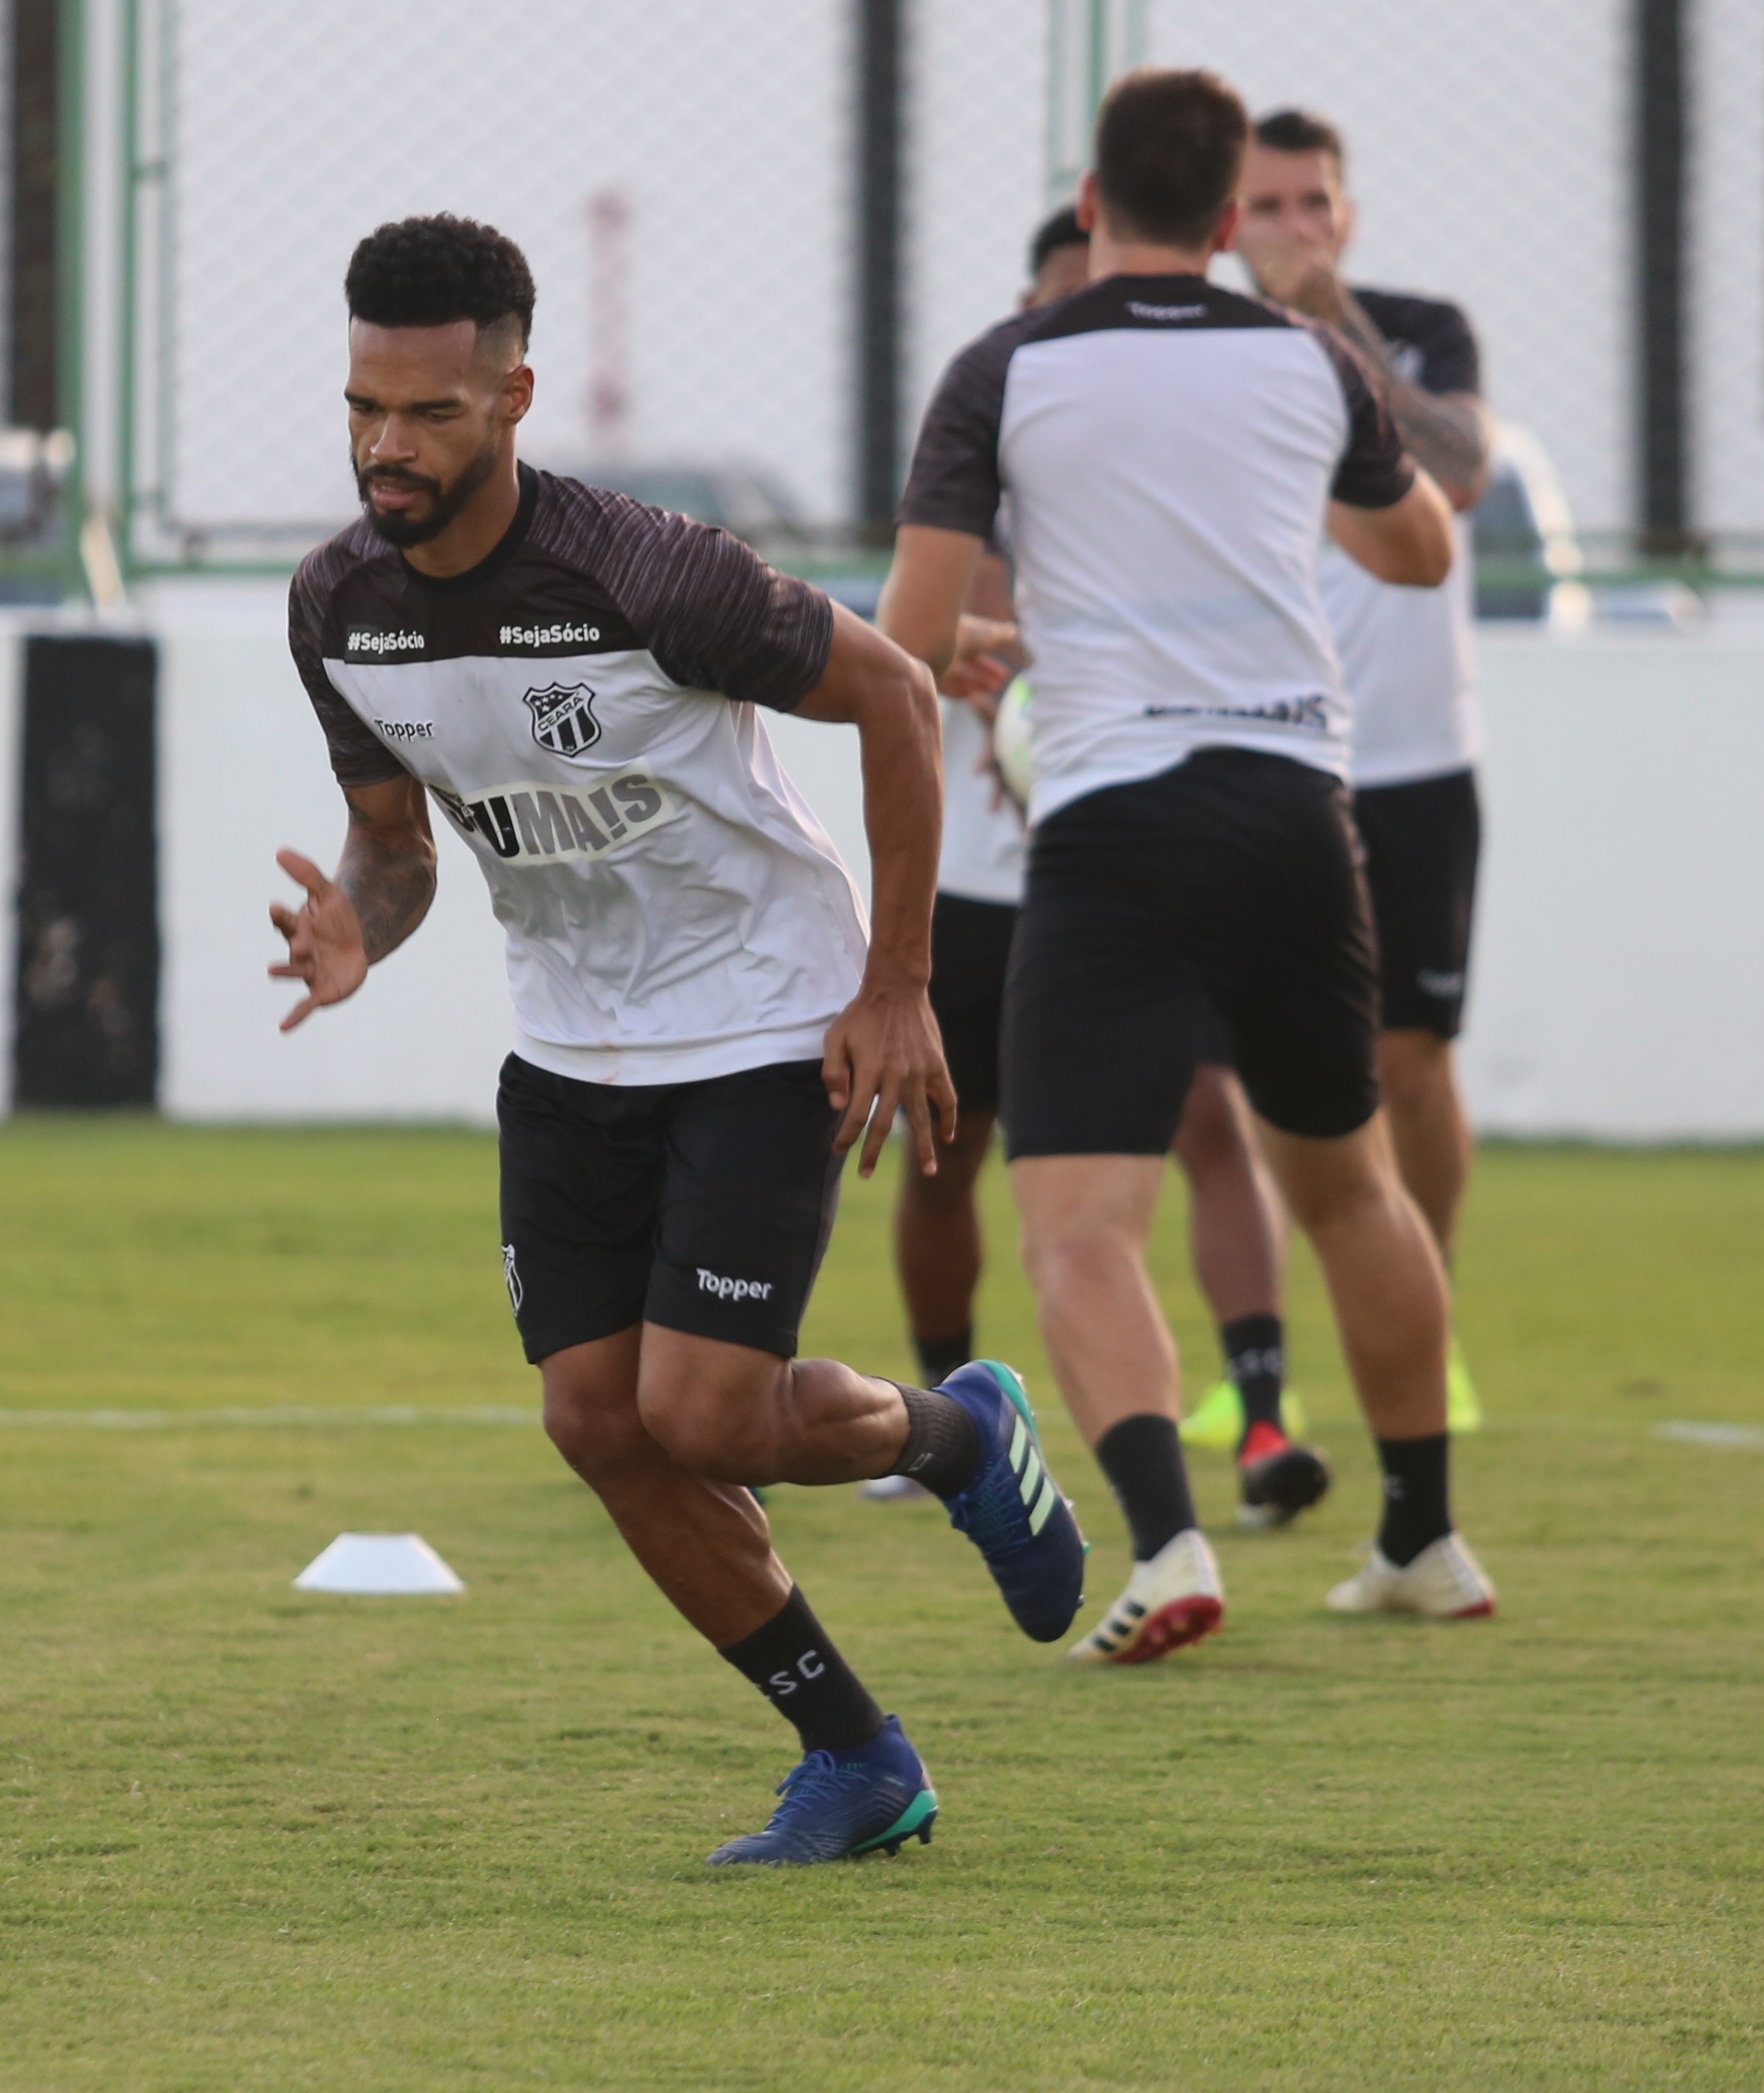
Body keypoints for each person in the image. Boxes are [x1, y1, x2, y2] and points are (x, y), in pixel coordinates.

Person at [269, 215, 1086, 1866]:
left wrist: (896, 984)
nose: (384, 446)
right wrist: (363, 919)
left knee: (705, 1414)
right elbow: (397, 847)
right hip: (570, 1049)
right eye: (363, 406)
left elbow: (895, 696)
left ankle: (959, 1436)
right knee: (596, 1423)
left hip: (762, 1017)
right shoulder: (338, 607)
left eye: (427, 412)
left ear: (513, 397)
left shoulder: (647, 573)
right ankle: (855, 1755)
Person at [879, 69, 1500, 1662]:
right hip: (1299, 811)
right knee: (1351, 1188)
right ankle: (1422, 1535)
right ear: (1230, 218)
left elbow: (908, 633)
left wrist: (982, 646)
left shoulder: (1006, 367)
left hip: (1116, 826)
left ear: (1093, 204)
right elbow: (1420, 549)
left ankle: (1166, 1542)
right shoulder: (1310, 361)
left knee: (1079, 1224)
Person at [871, 208, 1312, 1540]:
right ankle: (952, 1418)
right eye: (1069, 298)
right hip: (982, 892)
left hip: (1135, 873)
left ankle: (1266, 1413)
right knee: (946, 1155)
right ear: (1032, 308)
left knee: (1212, 1120)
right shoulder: (983, 449)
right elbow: (912, 635)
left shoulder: (1186, 472)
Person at [1228, 105, 1491, 1432]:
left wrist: (1343, 329)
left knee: (1413, 1061)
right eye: (1268, 205)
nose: (1295, 228)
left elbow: (1464, 473)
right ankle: (1260, 1361)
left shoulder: (1419, 331)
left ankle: (1423, 1328)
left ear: (1348, 212)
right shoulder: (1202, 351)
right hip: (1275, 753)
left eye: (1313, 202)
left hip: (1417, 757)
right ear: (1225, 222)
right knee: (1269, 1076)